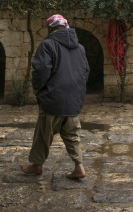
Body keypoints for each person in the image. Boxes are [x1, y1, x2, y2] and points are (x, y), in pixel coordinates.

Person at [21, 14, 90, 179]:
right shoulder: (80, 48)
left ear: (50, 28)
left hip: (53, 99)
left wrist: (39, 91)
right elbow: (85, 71)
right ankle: (79, 167)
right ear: (66, 27)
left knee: (43, 135)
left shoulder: (47, 45)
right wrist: (78, 92)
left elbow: (41, 70)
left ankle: (37, 166)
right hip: (74, 100)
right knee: (72, 134)